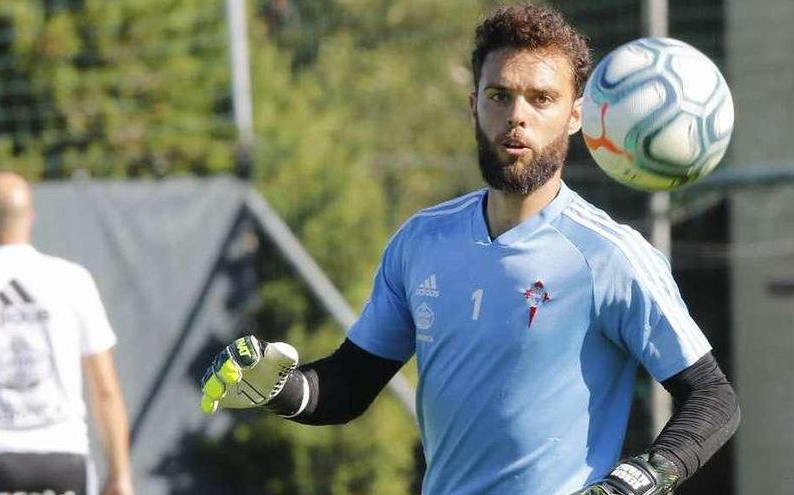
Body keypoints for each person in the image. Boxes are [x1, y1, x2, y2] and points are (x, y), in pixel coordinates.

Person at [199, 5, 740, 495]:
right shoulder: (420, 242)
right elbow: (347, 386)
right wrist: (283, 389)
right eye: (499, 95)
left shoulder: (610, 255)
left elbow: (713, 401)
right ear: (474, 104)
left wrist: (633, 483)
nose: (517, 116)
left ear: (575, 116)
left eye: (542, 98)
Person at [0, 172, 134, 495]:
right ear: (30, 217)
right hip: (64, 459)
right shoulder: (73, 280)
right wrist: (119, 475)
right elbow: (106, 392)